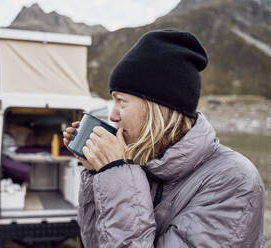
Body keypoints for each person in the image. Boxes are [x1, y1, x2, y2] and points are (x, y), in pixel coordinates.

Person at [63, 30, 265, 247]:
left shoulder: (235, 180)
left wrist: (116, 174)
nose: (113, 116)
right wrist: (98, 172)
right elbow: (96, 242)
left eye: (121, 101)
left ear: (157, 108)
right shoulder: (141, 163)